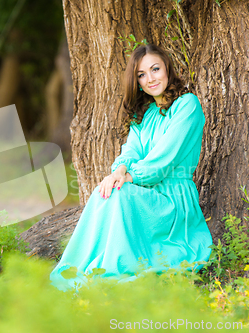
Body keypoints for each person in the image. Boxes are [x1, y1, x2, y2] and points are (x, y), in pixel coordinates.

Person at [49, 44, 213, 292]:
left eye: (155, 69)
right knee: (104, 192)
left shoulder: (187, 105)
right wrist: (118, 172)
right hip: (148, 191)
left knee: (122, 194)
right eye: (142, 74)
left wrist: (130, 177)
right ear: (136, 82)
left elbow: (163, 160)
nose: (151, 78)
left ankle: (116, 270)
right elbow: (132, 150)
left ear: (167, 69)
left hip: (173, 197)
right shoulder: (145, 114)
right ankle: (84, 267)